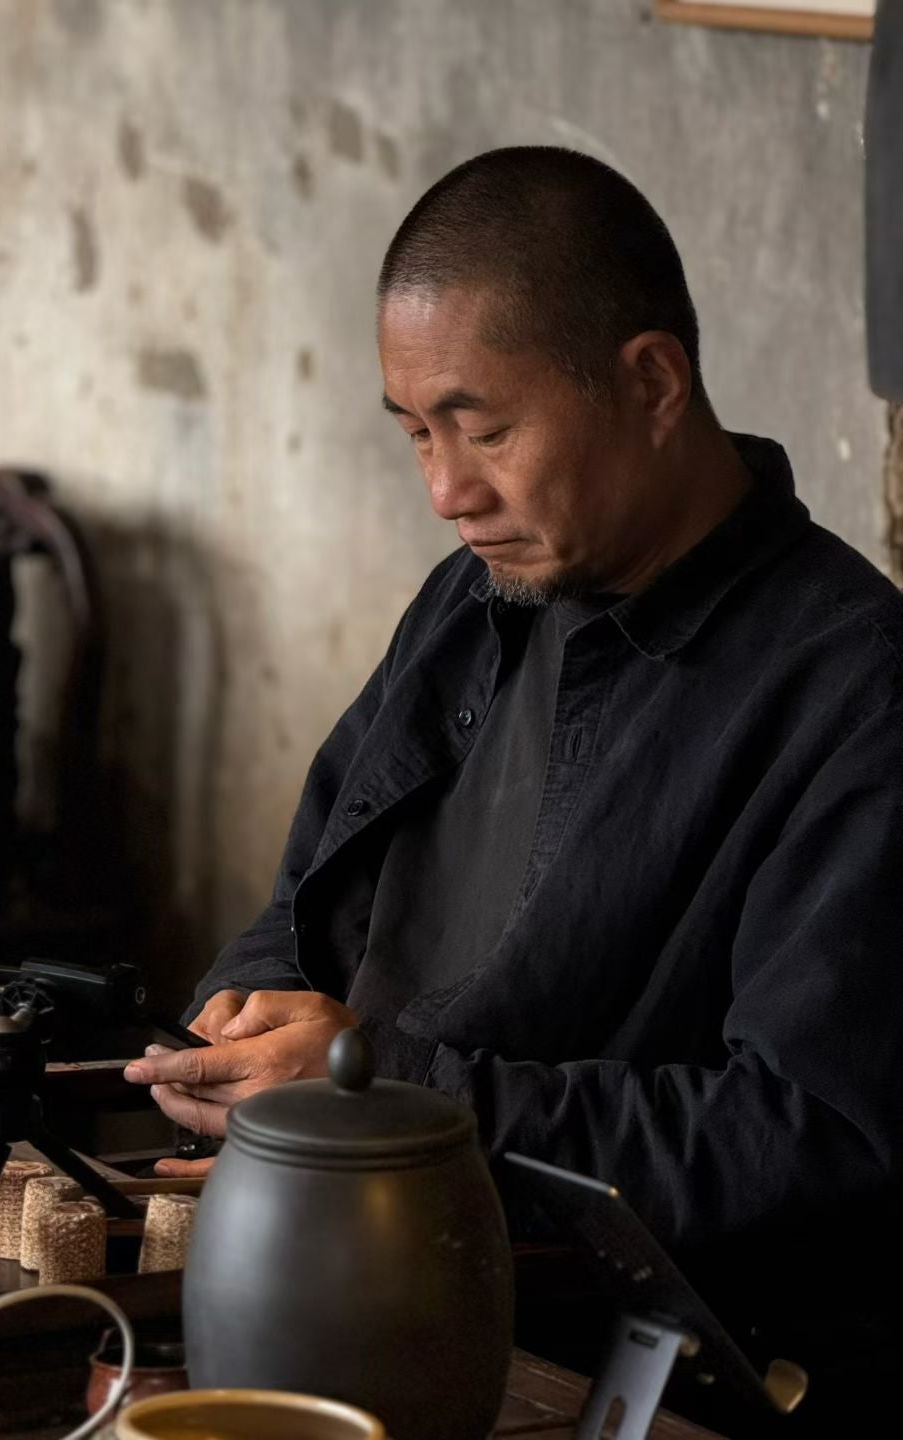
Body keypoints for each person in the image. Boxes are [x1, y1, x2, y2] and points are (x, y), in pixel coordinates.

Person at [123, 147, 903, 1431]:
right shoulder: (477, 597)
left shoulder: (854, 690)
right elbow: (312, 904)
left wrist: (397, 1093)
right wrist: (244, 1023)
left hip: (638, 1365)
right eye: (419, 433)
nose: (447, 491)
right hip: (346, 1255)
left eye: (486, 429)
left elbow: (812, 1137)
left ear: (652, 382)